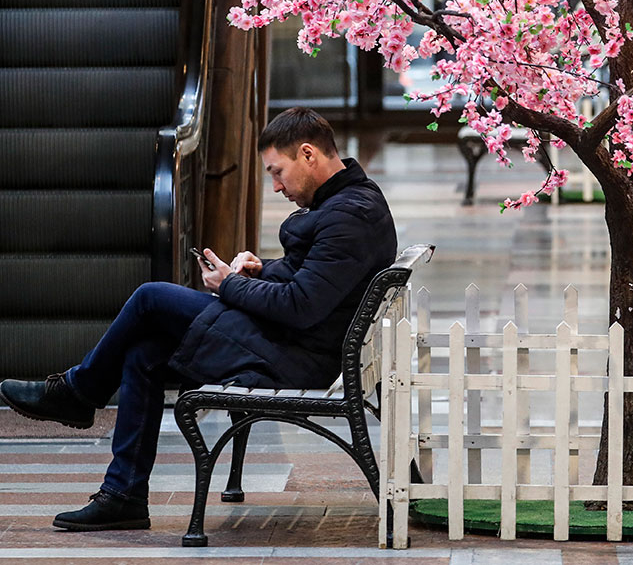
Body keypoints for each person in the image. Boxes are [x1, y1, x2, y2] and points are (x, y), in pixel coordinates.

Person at [0, 107, 397, 531]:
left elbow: (301, 306)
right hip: (298, 344)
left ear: (308, 154)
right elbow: (316, 280)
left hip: (299, 357)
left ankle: (78, 391)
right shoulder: (351, 203)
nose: (277, 186)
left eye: (277, 172)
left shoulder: (347, 215)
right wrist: (262, 270)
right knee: (145, 352)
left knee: (151, 297)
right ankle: (123, 496)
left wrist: (229, 284)